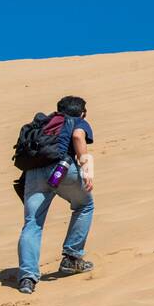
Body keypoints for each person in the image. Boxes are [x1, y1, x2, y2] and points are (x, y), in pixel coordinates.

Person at [16, 96, 96, 295]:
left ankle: (27, 277)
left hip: (33, 174)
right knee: (84, 205)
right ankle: (72, 257)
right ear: (83, 112)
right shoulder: (78, 121)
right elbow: (78, 137)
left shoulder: (45, 123)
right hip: (62, 169)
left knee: (32, 223)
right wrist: (86, 168)